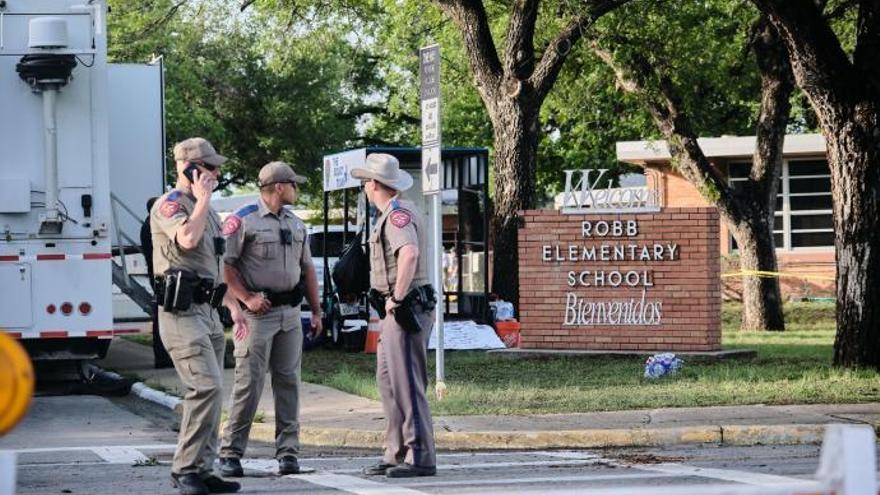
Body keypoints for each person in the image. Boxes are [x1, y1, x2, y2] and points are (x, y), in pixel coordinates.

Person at [151, 137, 246, 495]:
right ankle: (186, 469)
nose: (217, 173)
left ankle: (203, 469)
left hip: (208, 312)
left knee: (214, 391)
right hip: (181, 313)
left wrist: (233, 307)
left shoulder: (208, 210)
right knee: (203, 387)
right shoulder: (171, 205)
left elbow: (215, 266)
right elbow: (188, 240)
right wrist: (202, 199)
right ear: (190, 169)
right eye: (209, 167)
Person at [218, 162, 323, 477]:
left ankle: (288, 453)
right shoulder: (243, 220)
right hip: (256, 316)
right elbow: (225, 266)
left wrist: (316, 311)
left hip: (290, 314)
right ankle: (230, 453)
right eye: (294, 184)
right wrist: (246, 298)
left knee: (288, 382)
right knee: (248, 384)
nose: (297, 189)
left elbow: (307, 270)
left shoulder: (295, 223)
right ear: (279, 186)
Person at [350, 153, 438, 478]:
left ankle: (420, 456)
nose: (364, 188)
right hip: (397, 309)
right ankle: (396, 451)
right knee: (388, 382)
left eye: (365, 183)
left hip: (406, 308)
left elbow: (409, 254)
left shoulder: (397, 214)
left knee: (407, 385)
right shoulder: (389, 213)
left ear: (374, 185)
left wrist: (397, 299)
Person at [141, 196, 173, 368]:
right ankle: (162, 357)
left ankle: (163, 357)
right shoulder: (152, 226)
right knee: (163, 317)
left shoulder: (148, 225)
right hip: (161, 276)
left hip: (158, 275)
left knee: (163, 316)